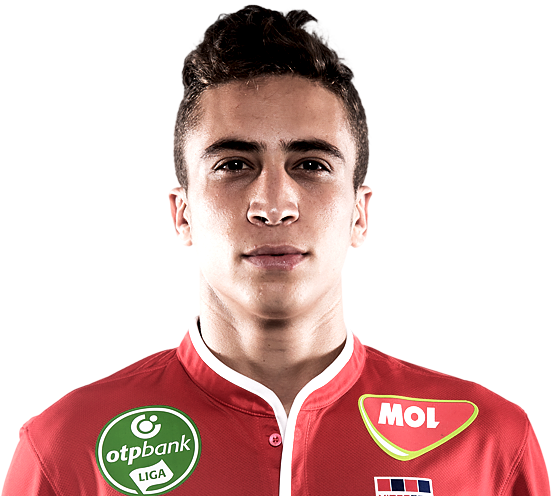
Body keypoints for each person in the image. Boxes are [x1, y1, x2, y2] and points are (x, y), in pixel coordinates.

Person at [3, 5, 548, 496]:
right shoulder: (65, 448)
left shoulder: (489, 444)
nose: (273, 205)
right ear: (181, 213)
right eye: (233, 165)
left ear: (360, 213)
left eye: (310, 164)